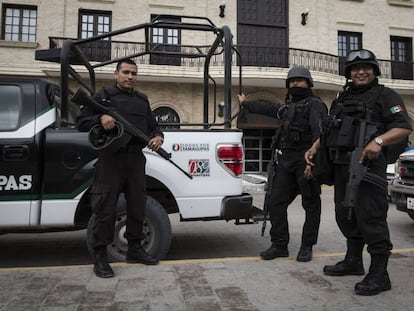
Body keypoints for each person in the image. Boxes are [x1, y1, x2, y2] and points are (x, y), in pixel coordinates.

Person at [305, 49, 412, 295]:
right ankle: (353, 261)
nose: (360, 72)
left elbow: (403, 127)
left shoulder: (386, 96)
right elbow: (332, 129)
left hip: (368, 169)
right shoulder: (342, 98)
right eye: (355, 69)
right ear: (349, 73)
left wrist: (379, 142)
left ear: (374, 71)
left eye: (366, 68)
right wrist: (315, 146)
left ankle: (380, 274)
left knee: (371, 219)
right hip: (342, 167)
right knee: (346, 216)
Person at [76, 59, 164, 278]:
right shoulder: (103, 96)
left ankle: (135, 249)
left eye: (134, 73)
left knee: (137, 206)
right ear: (116, 74)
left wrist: (158, 137)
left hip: (135, 159)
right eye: (125, 72)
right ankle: (100, 257)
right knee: (105, 209)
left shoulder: (142, 100)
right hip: (111, 159)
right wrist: (100, 117)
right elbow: (81, 122)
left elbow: (154, 126)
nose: (130, 76)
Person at [238, 66, 328, 262]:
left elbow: (320, 135)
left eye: (299, 80)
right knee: (275, 203)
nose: (295, 84)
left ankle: (306, 246)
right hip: (286, 161)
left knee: (311, 204)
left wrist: (313, 164)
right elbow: (269, 109)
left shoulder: (315, 105)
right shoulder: (287, 108)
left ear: (308, 83)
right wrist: (246, 104)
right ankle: (279, 245)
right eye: (292, 81)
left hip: (306, 160)